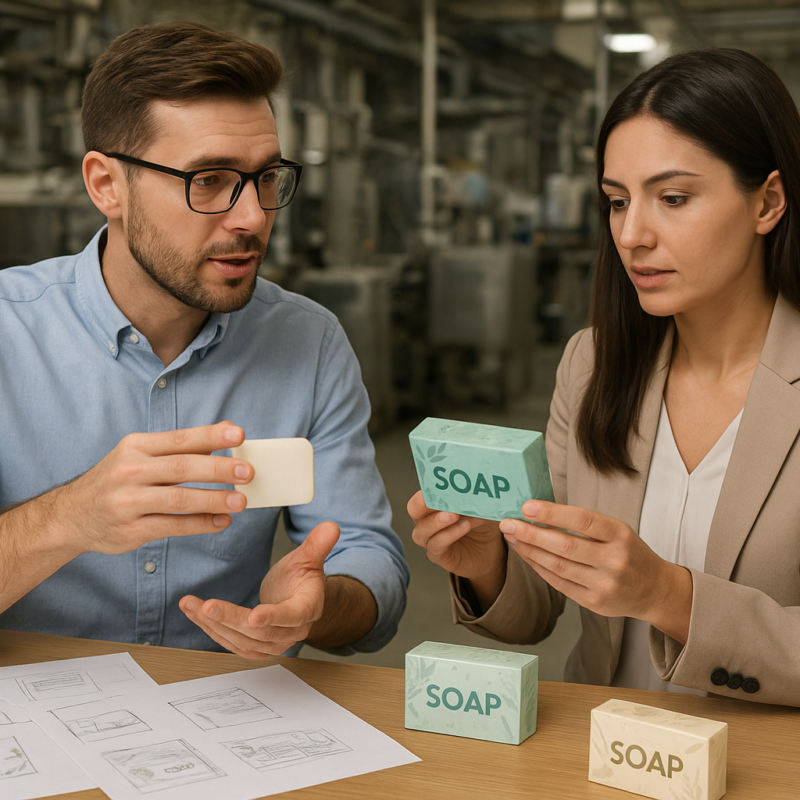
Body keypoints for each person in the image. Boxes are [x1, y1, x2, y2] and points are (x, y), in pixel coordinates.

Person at [0, 22, 408, 659]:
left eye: (266, 177)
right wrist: (69, 518)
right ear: (107, 185)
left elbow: (369, 559)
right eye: (208, 180)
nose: (251, 217)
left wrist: (315, 605)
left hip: (226, 719)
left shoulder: (310, 342)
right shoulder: (8, 331)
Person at [409, 48, 800, 706]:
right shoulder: (592, 365)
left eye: (673, 198)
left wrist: (669, 596)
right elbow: (542, 608)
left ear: (767, 202)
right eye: (617, 202)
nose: (633, 234)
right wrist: (489, 563)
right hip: (604, 759)